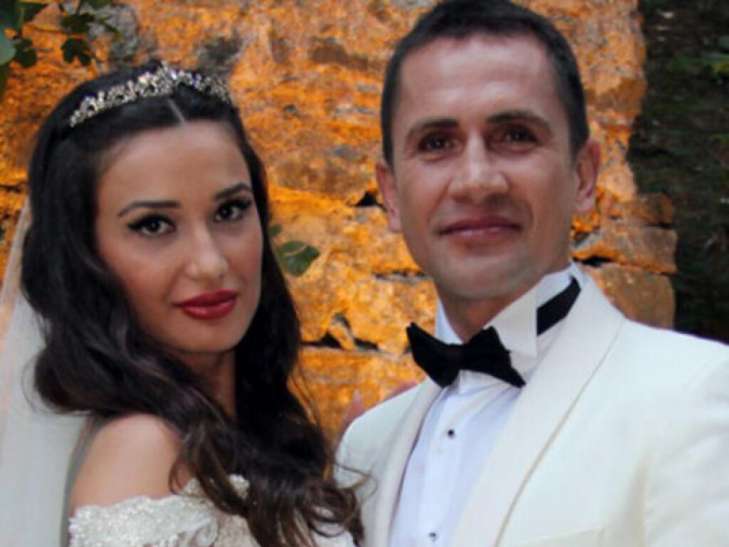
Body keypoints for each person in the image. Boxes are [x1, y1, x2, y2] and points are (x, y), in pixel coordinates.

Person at [337, 1, 729, 546]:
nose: (477, 180)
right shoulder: (365, 450)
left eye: (516, 135)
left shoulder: (697, 395)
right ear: (391, 193)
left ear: (584, 175)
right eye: (436, 144)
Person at [0, 60, 361, 546]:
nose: (209, 262)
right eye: (153, 225)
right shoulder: (144, 453)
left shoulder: (232, 434)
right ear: (86, 255)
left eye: (229, 210)